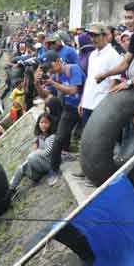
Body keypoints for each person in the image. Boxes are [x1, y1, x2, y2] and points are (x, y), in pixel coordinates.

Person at [95, 2, 134, 151]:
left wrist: (129, 82)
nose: (127, 21)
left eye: (130, 17)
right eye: (125, 18)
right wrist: (105, 75)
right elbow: (125, 63)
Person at [34, 50, 85, 185]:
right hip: (69, 109)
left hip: (85, 107)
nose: (49, 70)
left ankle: (85, 169)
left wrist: (53, 83)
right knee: (58, 139)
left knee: (85, 139)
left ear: (57, 61)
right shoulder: (55, 76)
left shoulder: (73, 69)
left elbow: (74, 90)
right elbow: (45, 95)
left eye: (50, 67)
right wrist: (37, 84)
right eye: (46, 69)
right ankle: (53, 170)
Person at [78, 23, 122, 128]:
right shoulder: (92, 55)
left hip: (100, 104)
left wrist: (105, 105)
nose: (93, 39)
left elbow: (115, 81)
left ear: (105, 35)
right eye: (91, 36)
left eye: (96, 35)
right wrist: (83, 100)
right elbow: (89, 80)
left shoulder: (113, 55)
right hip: (88, 103)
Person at [9, 113, 57, 194]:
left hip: (49, 165)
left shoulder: (52, 137)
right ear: (38, 124)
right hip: (39, 168)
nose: (43, 125)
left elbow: (47, 152)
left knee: (31, 157)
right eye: (41, 123)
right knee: (21, 168)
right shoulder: (39, 137)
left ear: (50, 124)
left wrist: (36, 152)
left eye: (46, 122)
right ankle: (11, 189)